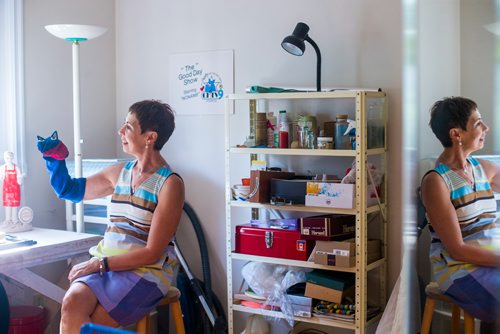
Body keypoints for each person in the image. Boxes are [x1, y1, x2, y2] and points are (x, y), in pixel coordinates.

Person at [37, 100, 185, 333]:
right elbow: (70, 190)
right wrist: (55, 159)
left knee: (92, 325)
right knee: (71, 302)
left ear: (150, 137)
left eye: (128, 126)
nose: (120, 131)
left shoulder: (169, 185)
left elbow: (151, 253)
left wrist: (97, 264)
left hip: (146, 272)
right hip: (106, 267)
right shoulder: (120, 173)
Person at [421, 97, 500, 331]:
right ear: (457, 134)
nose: (485, 129)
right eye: (478, 123)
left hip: (491, 260)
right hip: (458, 268)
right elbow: (458, 250)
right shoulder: (437, 182)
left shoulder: (481, 168)